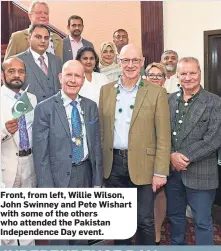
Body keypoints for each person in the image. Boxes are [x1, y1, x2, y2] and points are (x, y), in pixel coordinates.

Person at [99, 44, 171, 245]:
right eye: (125, 60)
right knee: (120, 221)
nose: (130, 65)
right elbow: (102, 133)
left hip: (145, 166)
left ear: (142, 62)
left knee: (145, 220)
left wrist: (160, 172)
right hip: (113, 166)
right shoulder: (105, 91)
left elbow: (164, 136)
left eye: (135, 60)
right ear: (119, 62)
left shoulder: (156, 92)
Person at [32, 60, 102, 244]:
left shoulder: (91, 106)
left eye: (77, 76)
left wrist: (97, 181)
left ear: (82, 80)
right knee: (60, 236)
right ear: (60, 78)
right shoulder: (44, 108)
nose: (73, 80)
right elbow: (41, 155)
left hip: (85, 175)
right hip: (58, 179)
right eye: (69, 75)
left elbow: (95, 146)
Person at [165, 57, 221, 245]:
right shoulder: (169, 100)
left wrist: (184, 157)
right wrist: (171, 155)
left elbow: (213, 139)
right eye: (183, 74)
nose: (188, 77)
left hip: (202, 173)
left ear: (200, 74)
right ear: (177, 76)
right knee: (175, 218)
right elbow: (161, 132)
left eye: (192, 73)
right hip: (172, 173)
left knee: (203, 222)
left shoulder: (214, 102)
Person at [1, 57, 37, 245]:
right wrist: (5, 131)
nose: (16, 75)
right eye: (11, 71)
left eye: (21, 71)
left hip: (29, 163)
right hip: (7, 168)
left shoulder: (31, 98)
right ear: (2, 75)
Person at [145, 62, 167, 245]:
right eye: (151, 75)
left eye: (158, 75)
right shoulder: (139, 97)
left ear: (164, 80)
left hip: (164, 155)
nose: (154, 78)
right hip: (143, 156)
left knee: (160, 195)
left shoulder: (171, 99)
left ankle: (157, 232)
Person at [16, 24, 62, 103]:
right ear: (29, 38)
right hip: (30, 112)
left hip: (55, 112)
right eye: (38, 37)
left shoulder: (57, 60)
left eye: (46, 38)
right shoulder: (17, 60)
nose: (43, 41)